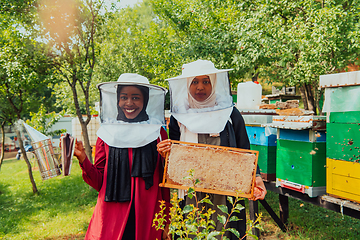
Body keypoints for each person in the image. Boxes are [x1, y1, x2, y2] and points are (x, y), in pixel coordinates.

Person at [157, 60, 266, 239]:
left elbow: (245, 149)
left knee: (226, 231)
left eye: (206, 81)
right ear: (187, 85)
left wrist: (257, 178)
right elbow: (174, 155)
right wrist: (165, 153)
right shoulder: (179, 117)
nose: (200, 87)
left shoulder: (231, 113)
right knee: (194, 230)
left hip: (226, 189)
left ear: (214, 83)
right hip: (192, 190)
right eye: (194, 82)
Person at [74, 73, 170, 240]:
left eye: (136, 97)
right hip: (112, 217)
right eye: (124, 97)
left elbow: (165, 182)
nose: (129, 103)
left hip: (149, 215)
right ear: (117, 100)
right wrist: (83, 160)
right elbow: (100, 183)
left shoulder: (158, 132)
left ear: (145, 101)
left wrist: (166, 220)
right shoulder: (107, 133)